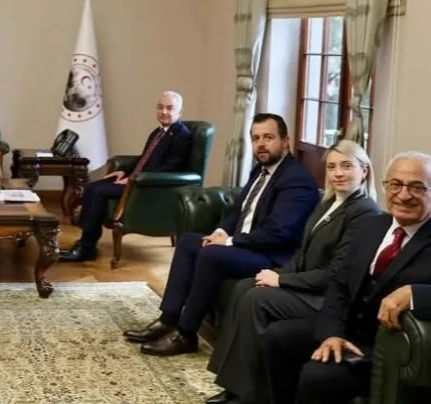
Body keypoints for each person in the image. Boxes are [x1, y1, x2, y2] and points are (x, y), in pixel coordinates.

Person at [125, 113, 319, 356]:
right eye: (256, 138)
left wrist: (228, 242)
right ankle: (168, 319)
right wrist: (220, 231)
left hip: (274, 256)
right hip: (249, 245)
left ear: (285, 141)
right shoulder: (260, 170)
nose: (261, 144)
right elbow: (238, 209)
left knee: (212, 255)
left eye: (268, 138)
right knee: (188, 242)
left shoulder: (296, 179)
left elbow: (278, 233)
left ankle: (186, 334)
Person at [205, 140, 380, 404]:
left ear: (364, 171)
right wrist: (276, 275)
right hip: (305, 286)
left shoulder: (364, 212)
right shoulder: (328, 202)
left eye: (347, 166)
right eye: (332, 167)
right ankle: (234, 385)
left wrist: (282, 280)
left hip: (324, 299)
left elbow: (336, 273)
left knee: (256, 299)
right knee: (245, 287)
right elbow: (302, 252)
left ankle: (248, 395)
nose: (338, 173)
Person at [262, 151, 431, 404]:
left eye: (417, 187)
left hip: (386, 347)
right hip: (346, 328)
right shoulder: (371, 226)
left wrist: (415, 294)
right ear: (385, 186)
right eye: (395, 184)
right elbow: (339, 286)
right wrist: (331, 334)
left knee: (318, 376)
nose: (404, 195)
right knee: (278, 336)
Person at [60, 91, 192, 262]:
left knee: (98, 192)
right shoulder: (158, 132)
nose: (164, 112)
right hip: (136, 179)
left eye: (170, 108)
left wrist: (134, 178)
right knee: (91, 187)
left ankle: (87, 247)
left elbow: (170, 168)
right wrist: (124, 171)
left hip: (149, 186)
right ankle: (85, 240)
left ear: (180, 112)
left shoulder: (182, 135)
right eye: (160, 107)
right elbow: (145, 158)